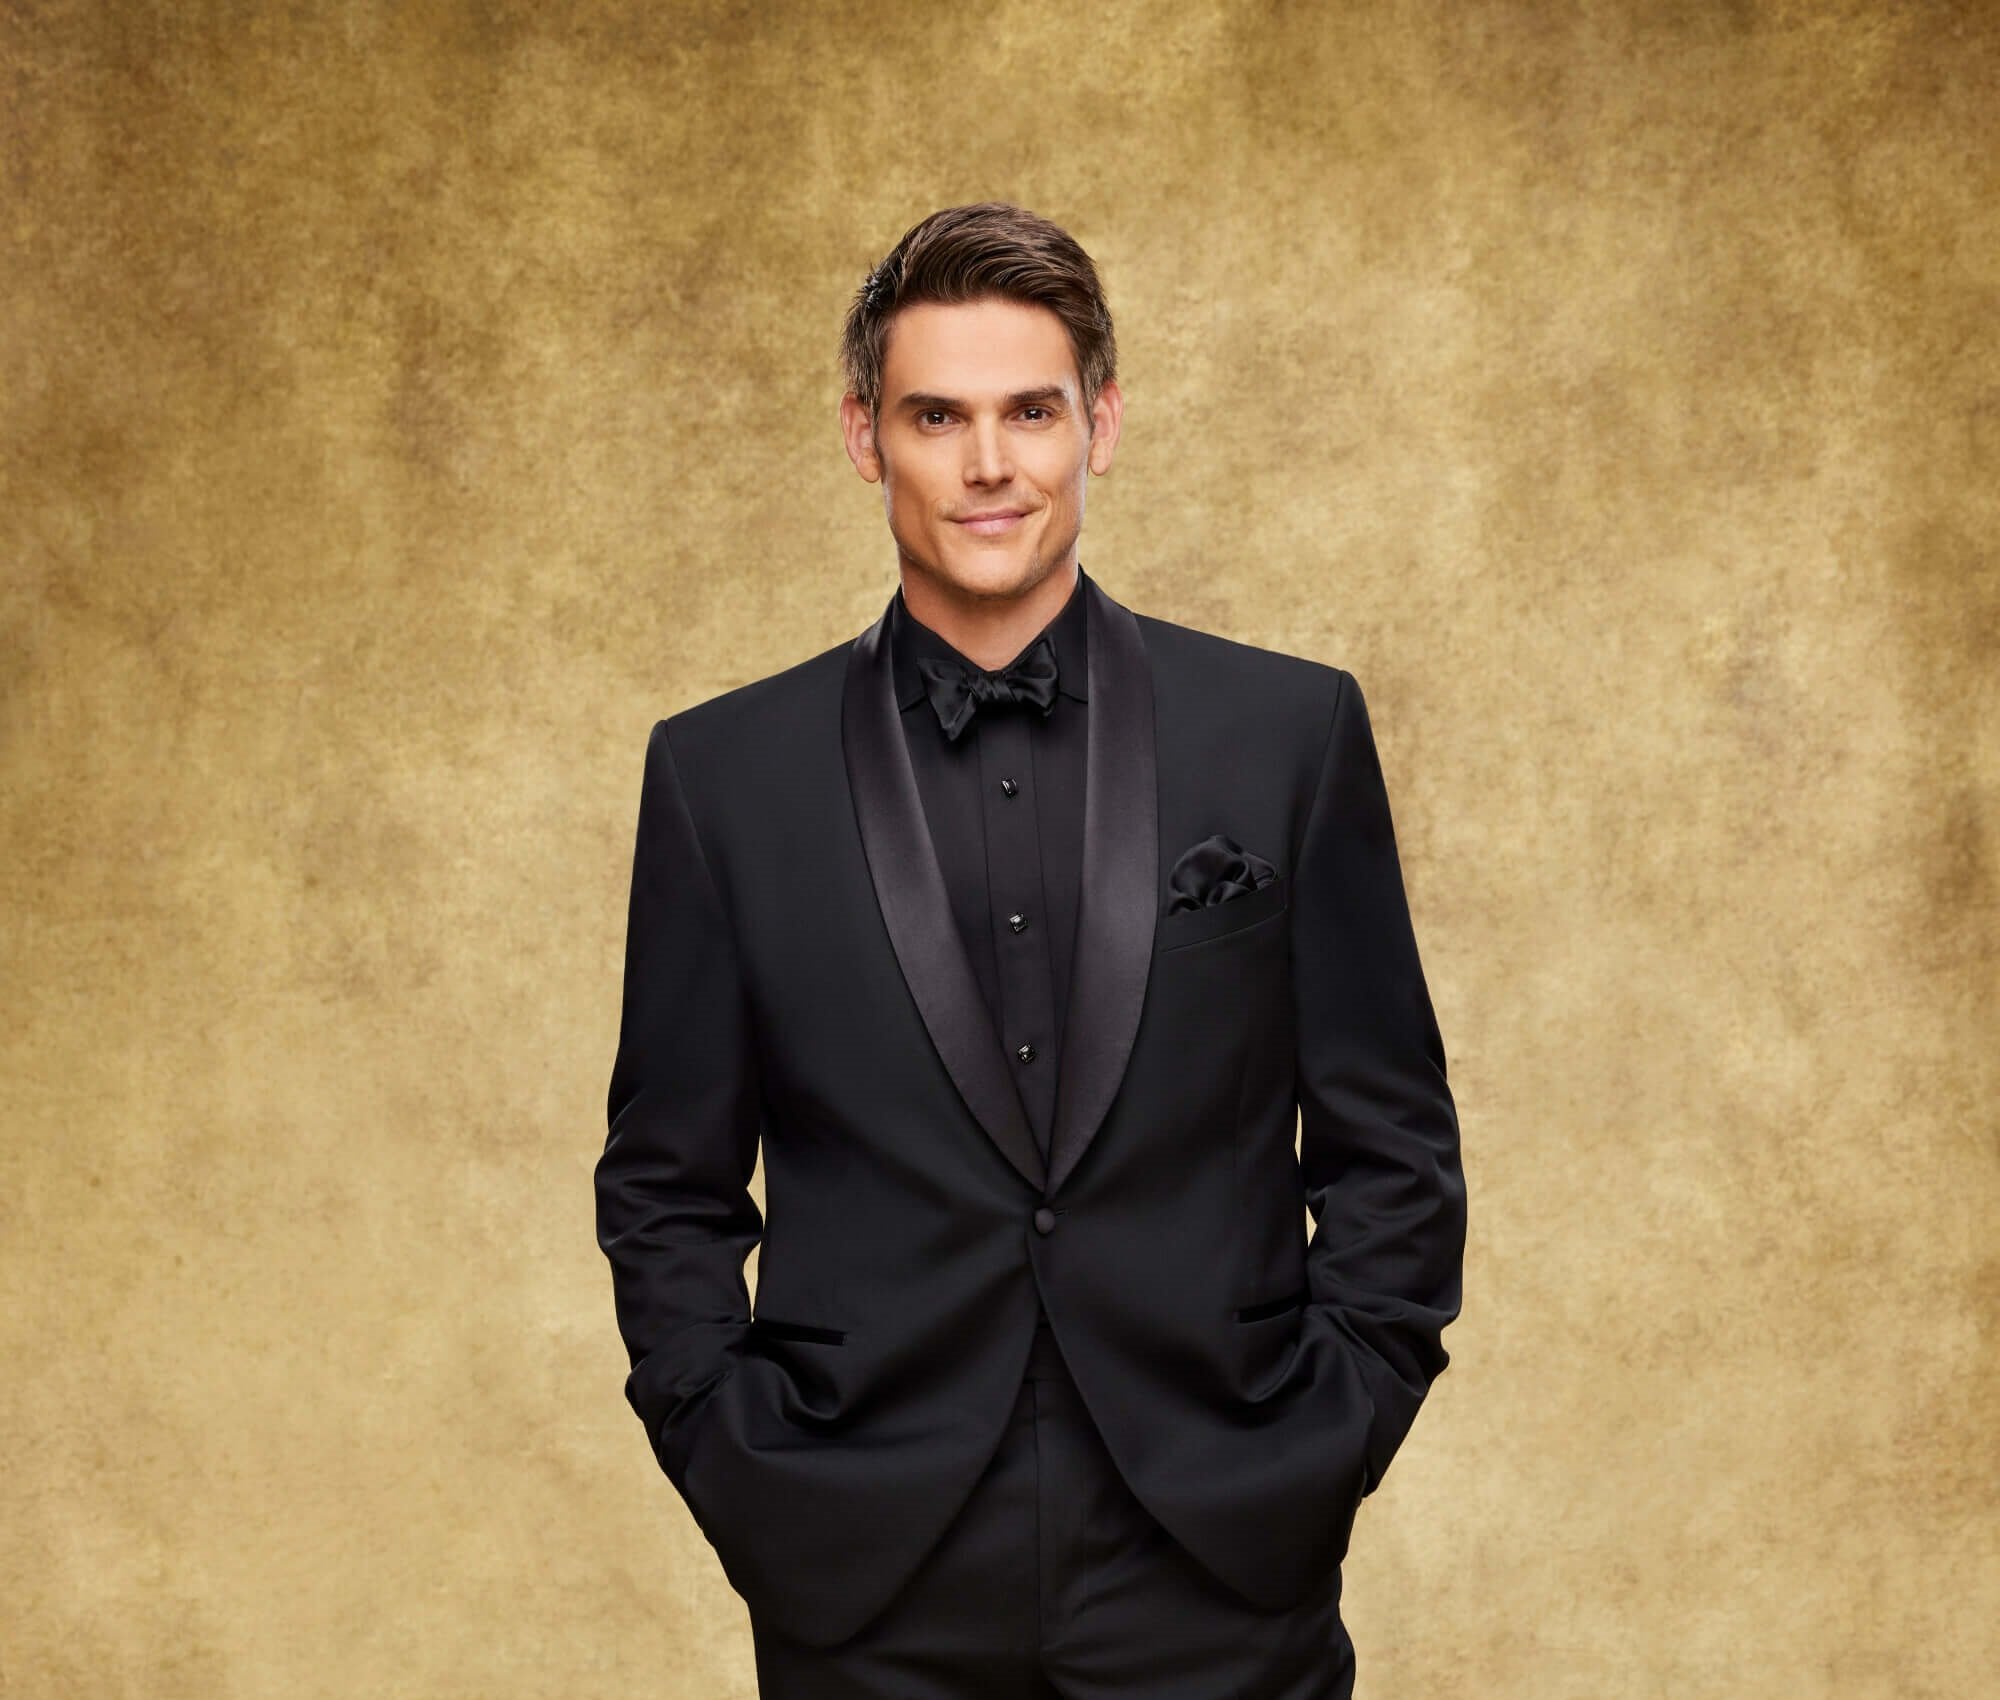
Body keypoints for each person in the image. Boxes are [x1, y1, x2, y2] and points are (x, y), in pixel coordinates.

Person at [595, 200, 1466, 1699]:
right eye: (938, 415)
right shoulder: (719, 776)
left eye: (1030, 412)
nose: (988, 464)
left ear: (1100, 425)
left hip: (1221, 1555)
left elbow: (1393, 1143)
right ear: (866, 436)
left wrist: (1326, 1440)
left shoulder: (1290, 732)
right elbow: (663, 1183)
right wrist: (747, 1472)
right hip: (864, 1572)